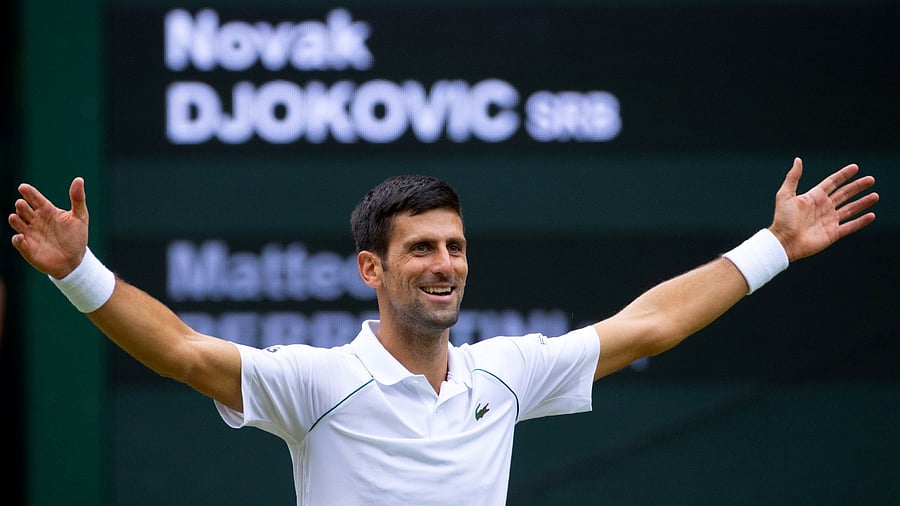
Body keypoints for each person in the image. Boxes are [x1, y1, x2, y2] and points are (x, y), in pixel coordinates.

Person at [9, 158, 878, 504]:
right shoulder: (317, 382)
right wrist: (77, 271)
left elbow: (648, 327)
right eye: (421, 248)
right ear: (372, 268)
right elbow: (179, 350)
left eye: (455, 247)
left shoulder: (505, 373)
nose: (444, 263)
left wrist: (774, 246)